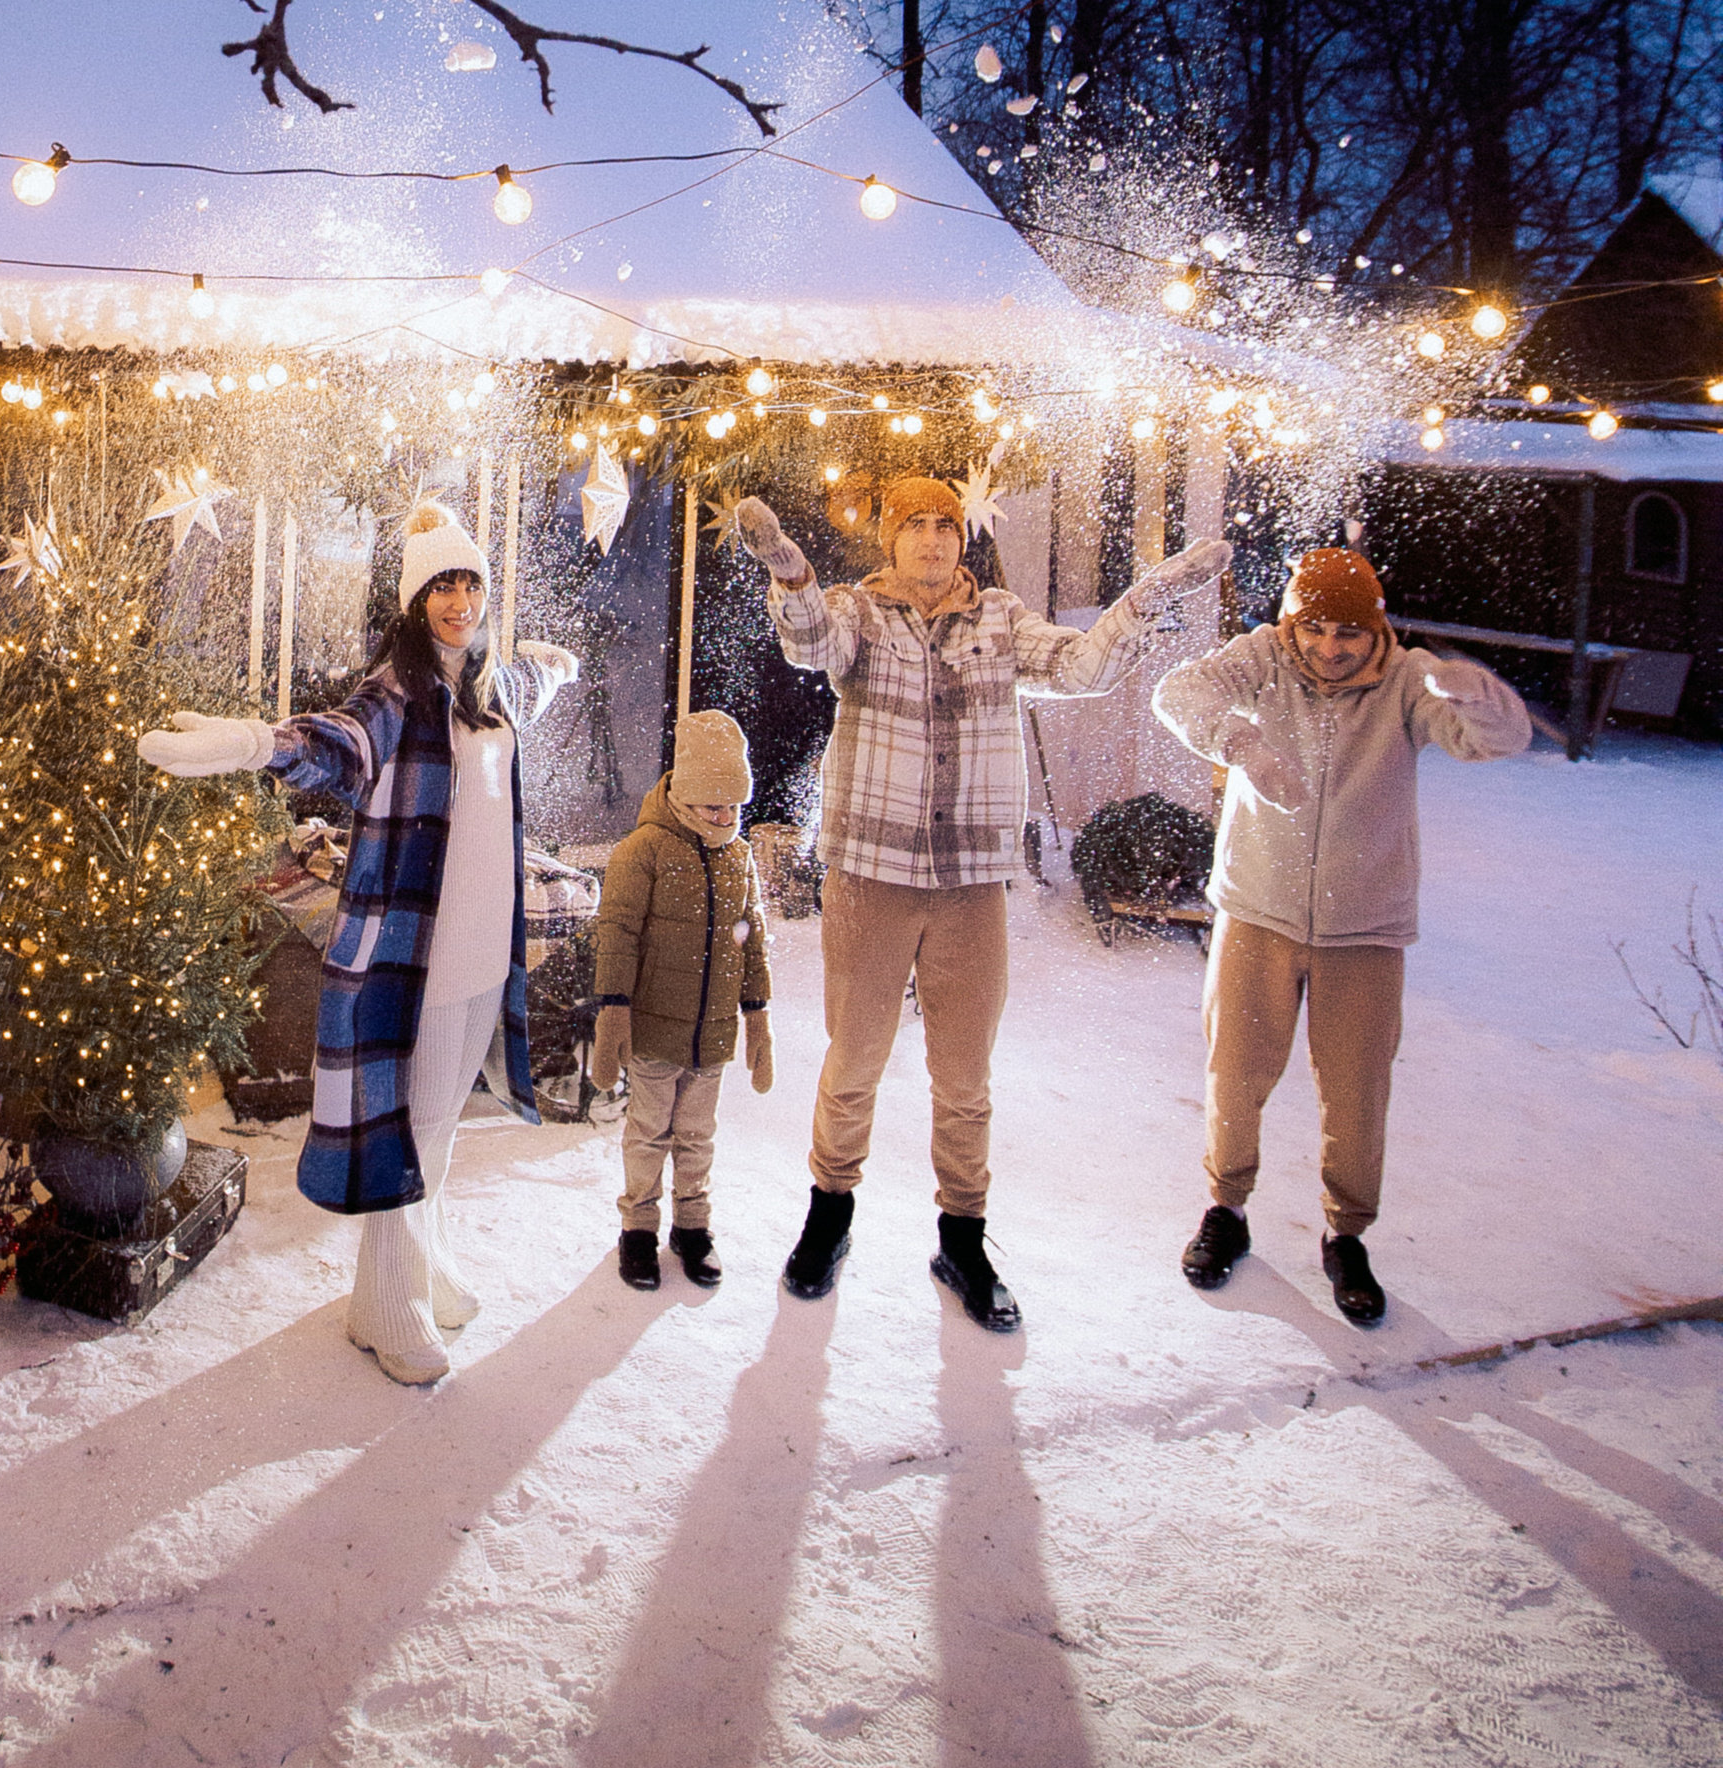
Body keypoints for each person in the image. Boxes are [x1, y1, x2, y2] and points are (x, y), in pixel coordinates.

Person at [736, 471, 1227, 1328]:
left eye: (944, 525)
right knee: (854, 1062)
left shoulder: (999, 619)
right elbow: (809, 642)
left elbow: (1080, 669)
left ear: (961, 538)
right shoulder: (858, 612)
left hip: (969, 885)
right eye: (914, 525)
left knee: (964, 1077)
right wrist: (787, 568)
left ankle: (962, 1237)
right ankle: (829, 1215)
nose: (932, 539)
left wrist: (1149, 597)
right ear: (888, 540)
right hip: (873, 876)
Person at [140, 497, 576, 1385]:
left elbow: (528, 684)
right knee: (408, 1124)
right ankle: (385, 1303)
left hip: (487, 947)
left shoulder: (490, 689)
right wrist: (257, 743)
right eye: (441, 587)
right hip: (417, 954)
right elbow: (335, 745)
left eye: (472, 583)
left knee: (444, 1119)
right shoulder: (395, 696)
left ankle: (422, 1261)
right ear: (415, 604)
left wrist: (551, 670)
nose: (459, 601)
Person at [1152, 541, 1529, 1328]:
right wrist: (1243, 744)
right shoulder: (1265, 656)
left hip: (1367, 926)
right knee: (1237, 1070)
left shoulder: (1408, 680)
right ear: (1294, 622)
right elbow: (1179, 693)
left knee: (1358, 1090)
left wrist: (1478, 694)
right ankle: (1226, 1208)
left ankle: (1346, 1234)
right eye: (1317, 629)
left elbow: (1497, 741)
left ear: (1376, 632)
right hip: (1258, 909)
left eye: (1349, 634)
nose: (1331, 648)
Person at [589, 707, 774, 1290]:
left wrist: (759, 1020)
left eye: (734, 807)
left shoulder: (738, 856)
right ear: (685, 798)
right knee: (648, 1132)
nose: (725, 818)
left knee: (697, 1135)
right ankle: (638, 1228)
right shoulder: (641, 850)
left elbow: (752, 939)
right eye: (712, 807)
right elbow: (616, 933)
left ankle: (693, 1227)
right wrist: (612, 1015)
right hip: (653, 1031)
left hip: (712, 1033)